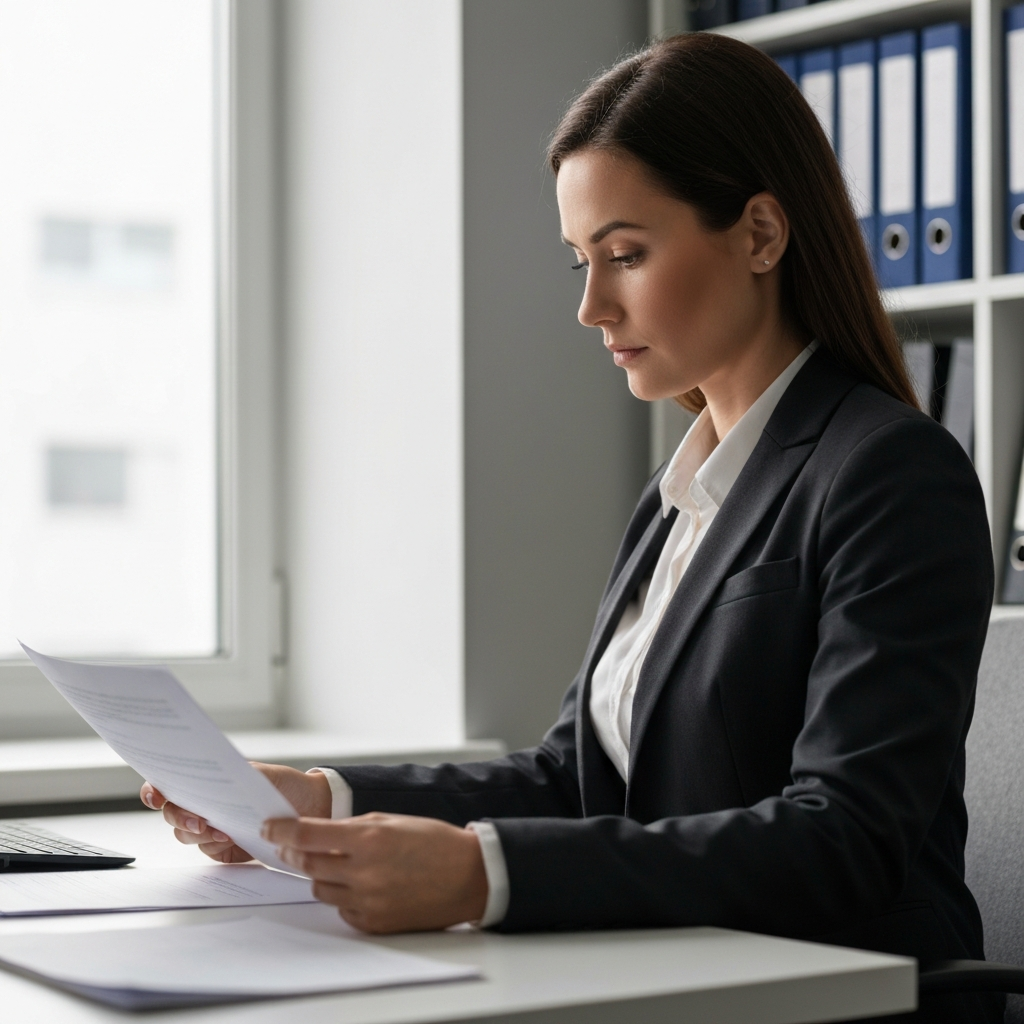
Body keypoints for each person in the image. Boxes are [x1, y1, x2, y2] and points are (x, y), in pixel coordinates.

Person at [141, 33, 998, 1022]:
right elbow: (572, 774)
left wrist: (481, 874)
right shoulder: (678, 490)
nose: (590, 305)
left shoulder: (890, 473)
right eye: (581, 260)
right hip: (677, 975)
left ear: (760, 235)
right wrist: (319, 800)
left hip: (837, 998)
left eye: (625, 255)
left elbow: (839, 836)